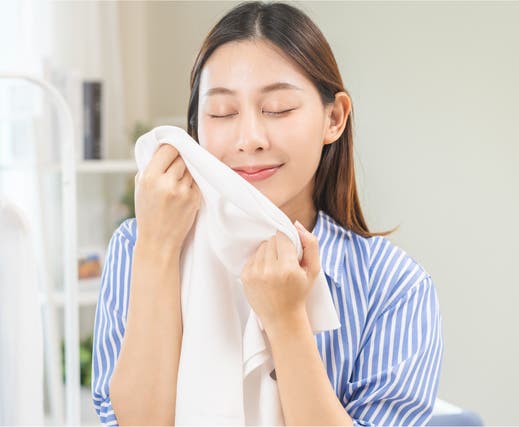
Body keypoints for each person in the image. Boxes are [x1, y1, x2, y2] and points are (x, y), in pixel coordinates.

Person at [92, 2, 444, 426]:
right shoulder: (137, 244)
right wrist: (159, 247)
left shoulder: (394, 285)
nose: (249, 138)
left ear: (334, 118)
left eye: (278, 108)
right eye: (222, 113)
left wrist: (287, 322)